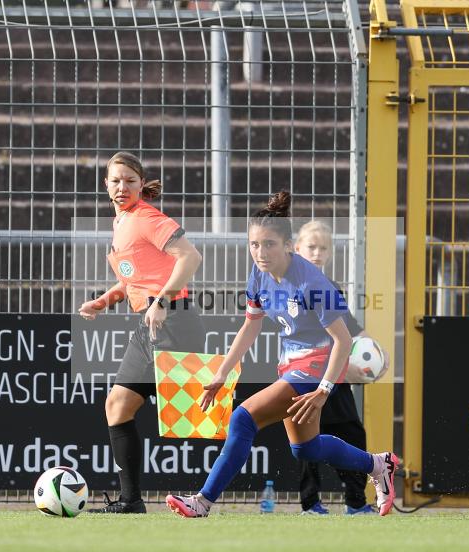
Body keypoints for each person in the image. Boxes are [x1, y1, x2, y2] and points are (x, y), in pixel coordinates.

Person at [165, 191, 399, 518]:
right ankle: (379, 464)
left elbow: (343, 342)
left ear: (288, 245)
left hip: (315, 369)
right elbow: (250, 326)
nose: (260, 252)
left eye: (270, 244)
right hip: (291, 367)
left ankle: (202, 502)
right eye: (254, 245)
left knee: (243, 420)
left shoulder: (313, 284)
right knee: (306, 447)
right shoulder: (259, 274)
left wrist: (324, 390)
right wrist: (222, 372)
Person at [78, 151, 205, 514]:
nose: (122, 187)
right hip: (150, 323)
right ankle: (131, 501)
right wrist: (103, 301)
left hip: (174, 323)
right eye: (116, 181)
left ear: (140, 184)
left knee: (205, 417)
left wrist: (162, 300)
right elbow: (132, 278)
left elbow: (190, 257)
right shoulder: (122, 222)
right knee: (117, 406)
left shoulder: (146, 217)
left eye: (130, 181)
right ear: (105, 185)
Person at [293, 220, 388, 515]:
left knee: (352, 435)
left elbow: (350, 327)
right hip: (308, 377)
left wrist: (375, 353)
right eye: (312, 247)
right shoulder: (294, 288)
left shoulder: (330, 287)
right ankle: (311, 503)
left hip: (336, 380)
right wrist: (347, 369)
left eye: (324, 248)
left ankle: (356, 502)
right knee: (309, 441)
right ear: (297, 249)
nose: (317, 253)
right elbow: (311, 342)